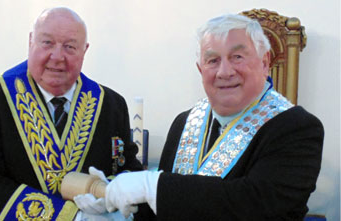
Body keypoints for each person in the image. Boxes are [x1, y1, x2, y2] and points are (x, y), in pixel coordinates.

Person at [103, 14, 324, 220]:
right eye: (213, 60)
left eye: (237, 57)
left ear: (264, 62)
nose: (224, 72)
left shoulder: (298, 128)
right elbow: (163, 208)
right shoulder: (184, 122)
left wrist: (153, 187)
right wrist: (115, 206)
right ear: (201, 70)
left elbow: (260, 205)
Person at [0, 7, 142, 220]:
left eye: (70, 46)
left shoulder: (110, 103)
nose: (57, 56)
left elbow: (128, 168)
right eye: (47, 43)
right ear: (30, 42)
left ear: (84, 50)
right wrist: (74, 217)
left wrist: (108, 192)